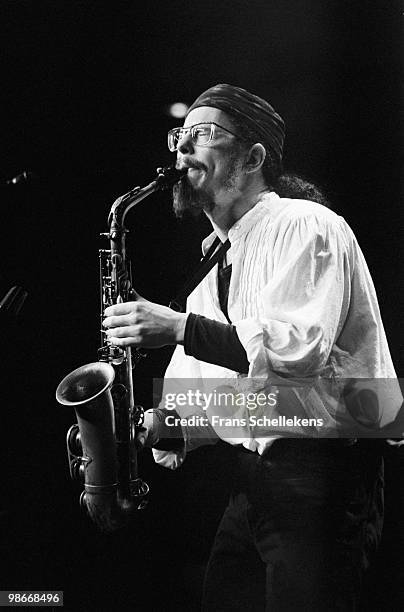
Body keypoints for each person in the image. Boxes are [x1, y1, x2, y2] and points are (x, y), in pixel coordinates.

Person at [102, 84, 402, 610]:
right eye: (181, 135)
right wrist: (149, 426)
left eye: (203, 135)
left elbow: (299, 351)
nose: (183, 149)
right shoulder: (215, 259)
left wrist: (177, 327)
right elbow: (216, 391)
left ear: (253, 158)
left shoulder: (306, 224)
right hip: (257, 475)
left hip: (327, 470)